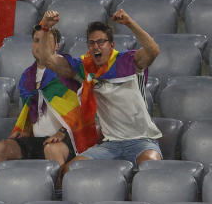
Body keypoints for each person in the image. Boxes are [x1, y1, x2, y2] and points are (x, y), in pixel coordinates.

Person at [39, 9, 162, 178]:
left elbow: (153, 50)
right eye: (91, 43)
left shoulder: (129, 62)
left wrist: (129, 23)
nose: (96, 46)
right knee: (69, 171)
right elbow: (48, 59)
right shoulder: (84, 69)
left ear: (111, 45)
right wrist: (45, 27)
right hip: (110, 145)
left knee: (151, 167)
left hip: (142, 141)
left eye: (101, 42)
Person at [0, 21, 97, 191]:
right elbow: (31, 110)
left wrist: (62, 131)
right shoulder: (27, 76)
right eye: (36, 40)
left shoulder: (69, 67)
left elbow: (85, 102)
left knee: (52, 149)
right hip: (38, 139)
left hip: (71, 136)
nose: (39, 45)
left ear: (57, 46)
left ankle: (58, 200)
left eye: (46, 41)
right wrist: (24, 129)